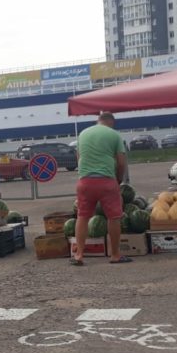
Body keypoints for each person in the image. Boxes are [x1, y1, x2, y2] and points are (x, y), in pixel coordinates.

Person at [72, 112, 129, 266]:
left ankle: (79, 255)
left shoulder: (83, 134)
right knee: (114, 217)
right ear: (111, 122)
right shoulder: (114, 135)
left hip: (84, 182)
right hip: (106, 181)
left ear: (98, 121)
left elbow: (79, 158)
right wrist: (117, 179)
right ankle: (115, 255)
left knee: (82, 217)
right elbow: (122, 162)